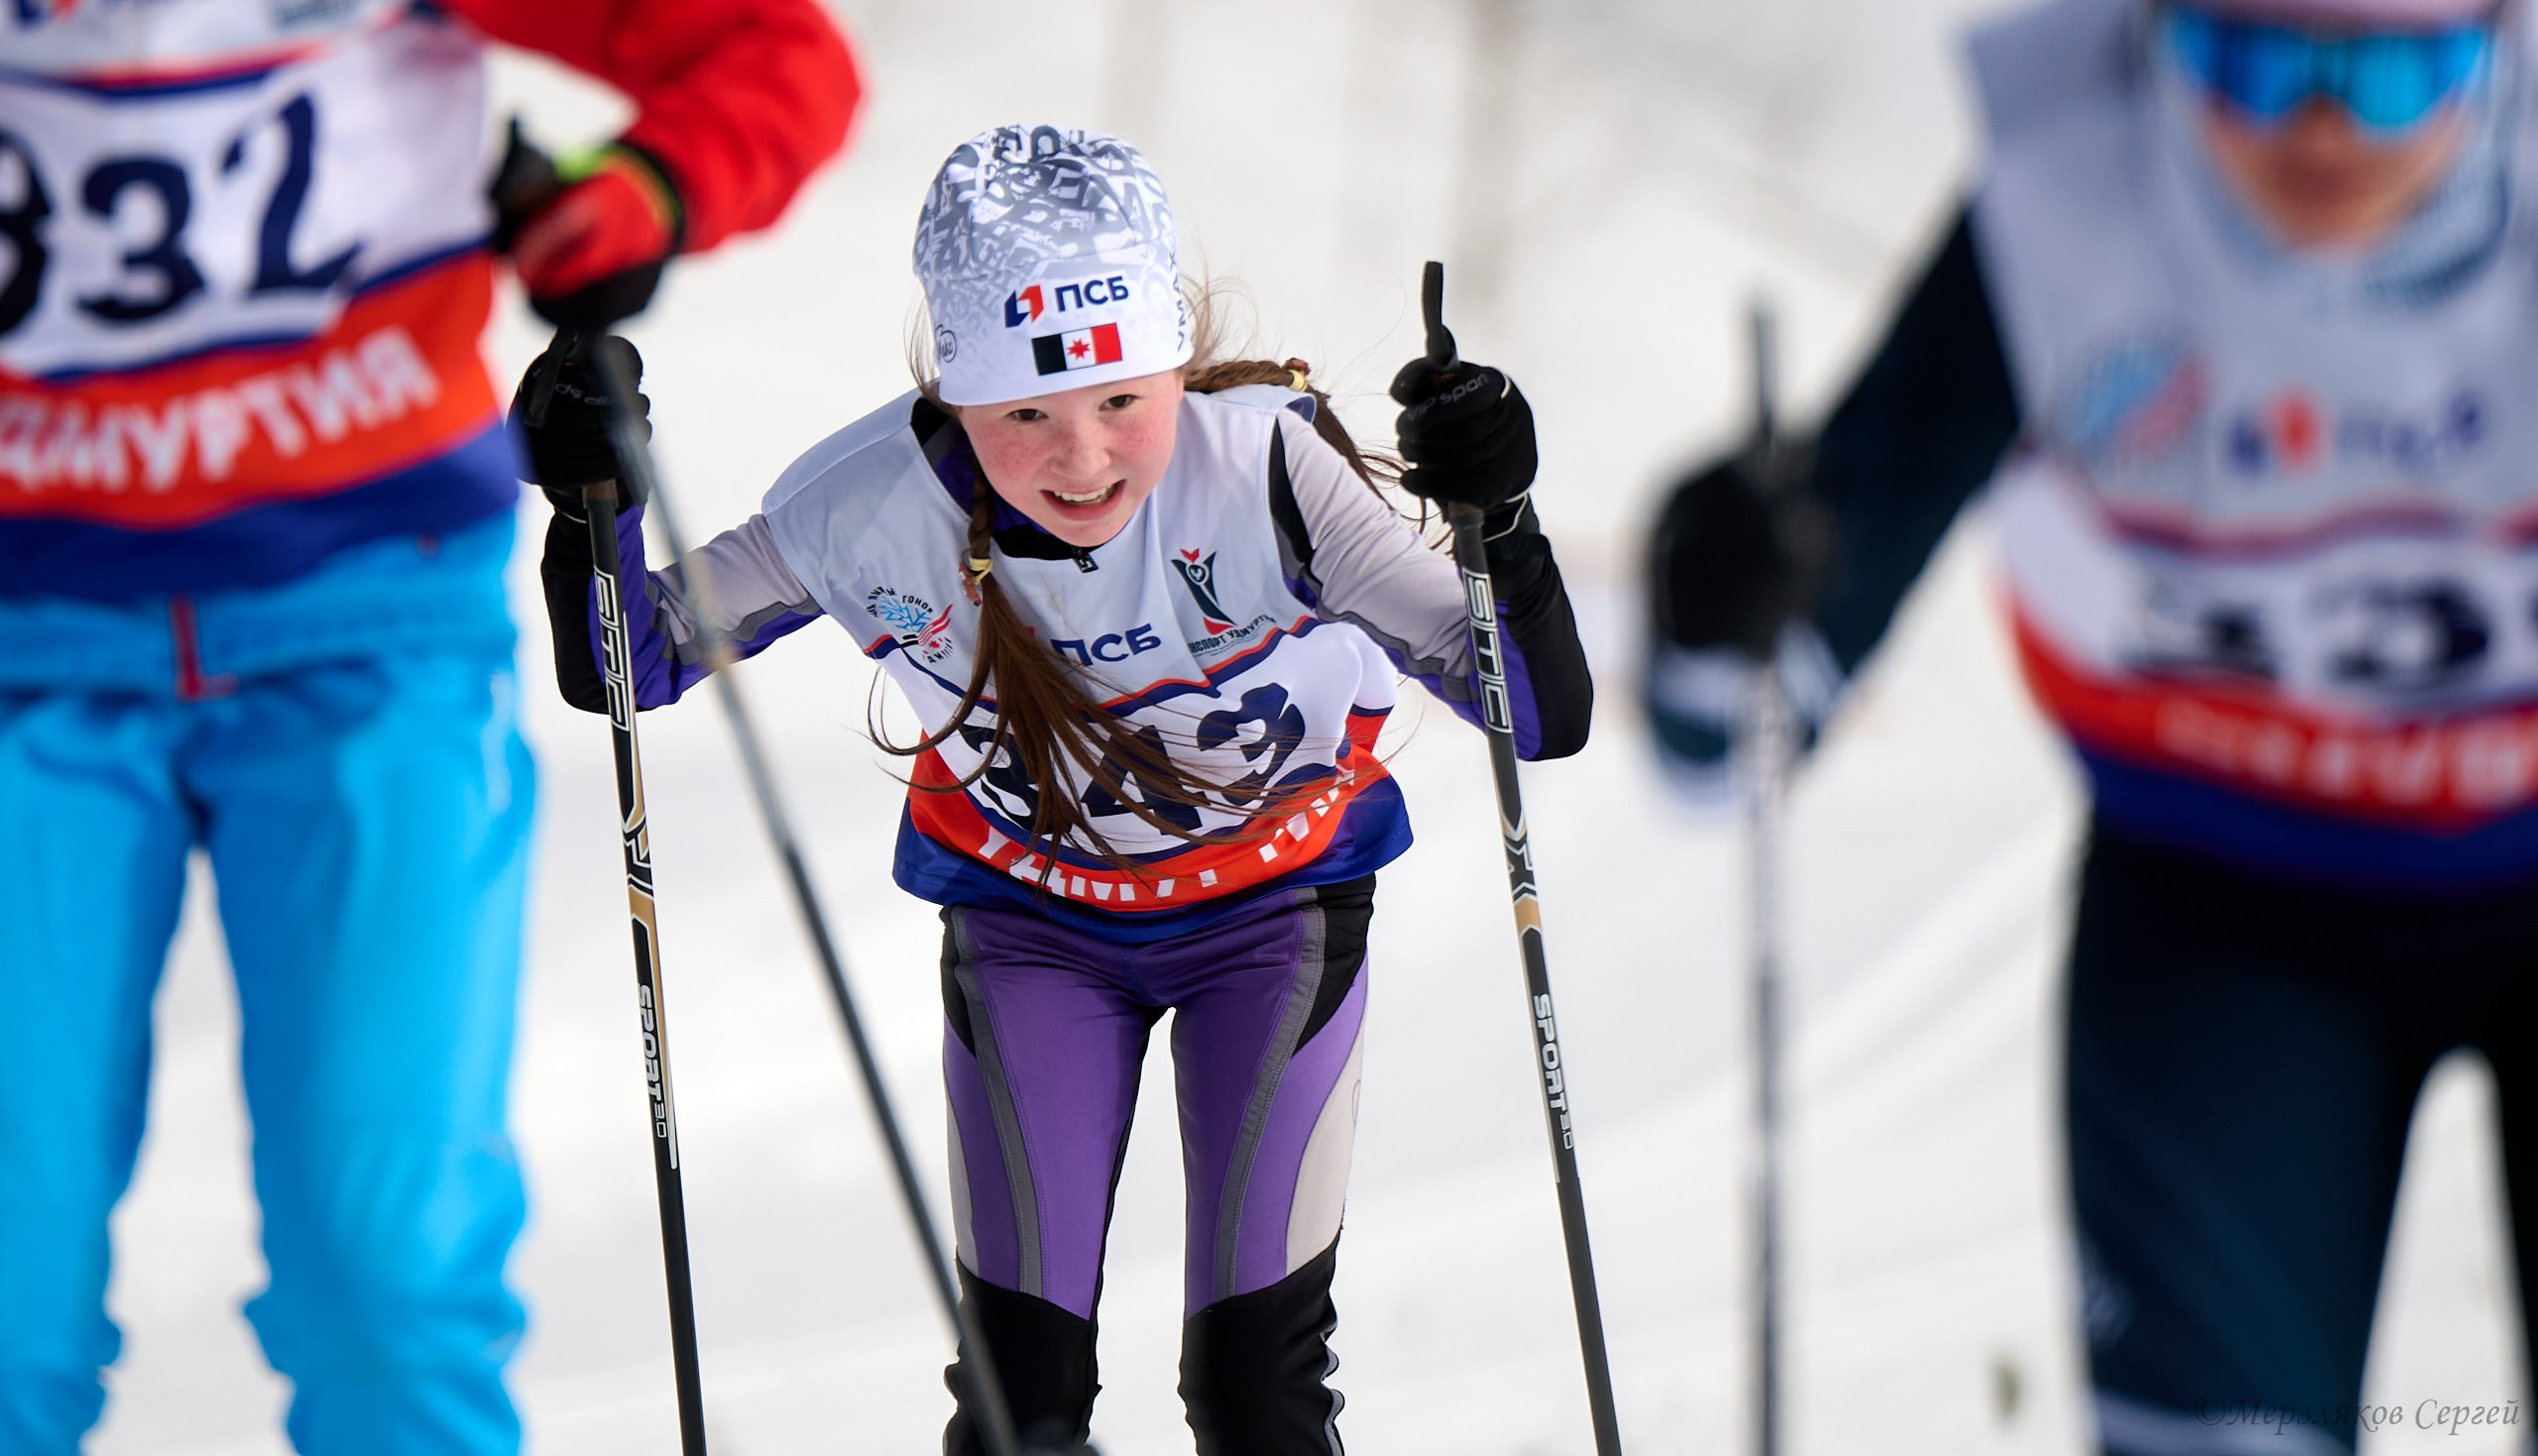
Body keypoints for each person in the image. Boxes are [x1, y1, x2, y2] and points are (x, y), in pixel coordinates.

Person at [518, 124, 1592, 1456]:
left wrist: (1506, 511)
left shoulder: (1263, 470)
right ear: (952, 392)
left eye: (1121, 402)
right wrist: (589, 499)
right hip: (1037, 935)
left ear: (1177, 363)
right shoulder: (871, 505)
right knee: (1021, 1402)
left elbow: (1535, 711)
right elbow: (631, 665)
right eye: (1026, 412)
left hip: (1273, 919)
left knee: (1256, 1388)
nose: (1081, 459)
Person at [1648, 0, 2538, 1449]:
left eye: (2393, 74)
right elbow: (1736, 746)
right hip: (2230, 908)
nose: (2320, 132)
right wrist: (1718, 596)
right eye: (2250, 62)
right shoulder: (2067, 196)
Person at [0, 3, 857, 1452]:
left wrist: (643, 189)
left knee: (385, 1271)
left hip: (365, 633)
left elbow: (769, 53)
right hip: (33, 652)